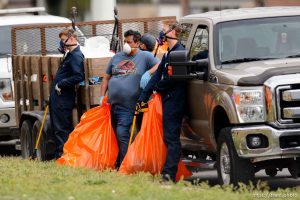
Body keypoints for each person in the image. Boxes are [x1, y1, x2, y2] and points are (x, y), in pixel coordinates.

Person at [99, 29, 159, 167]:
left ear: (137, 43)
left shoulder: (145, 56)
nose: (126, 45)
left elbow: (160, 65)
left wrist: (148, 73)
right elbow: (106, 78)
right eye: (125, 42)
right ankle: (117, 162)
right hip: (112, 105)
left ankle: (124, 165)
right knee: (113, 135)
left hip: (129, 106)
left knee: (122, 134)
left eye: (129, 42)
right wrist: (102, 96)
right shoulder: (116, 57)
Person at [137, 19, 186, 182]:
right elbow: (156, 76)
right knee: (167, 137)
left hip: (175, 101)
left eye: (164, 29)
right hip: (166, 100)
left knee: (171, 137)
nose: (161, 33)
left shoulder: (180, 53)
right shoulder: (167, 55)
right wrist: (144, 96)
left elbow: (174, 79)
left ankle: (169, 174)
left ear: (172, 32)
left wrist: (158, 87)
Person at [49, 27, 85, 159]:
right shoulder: (69, 55)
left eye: (64, 40)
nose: (62, 43)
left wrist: (61, 84)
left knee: (62, 128)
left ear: (72, 39)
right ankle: (60, 154)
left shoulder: (76, 56)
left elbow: (78, 76)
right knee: (57, 127)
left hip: (63, 99)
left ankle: (63, 156)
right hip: (58, 98)